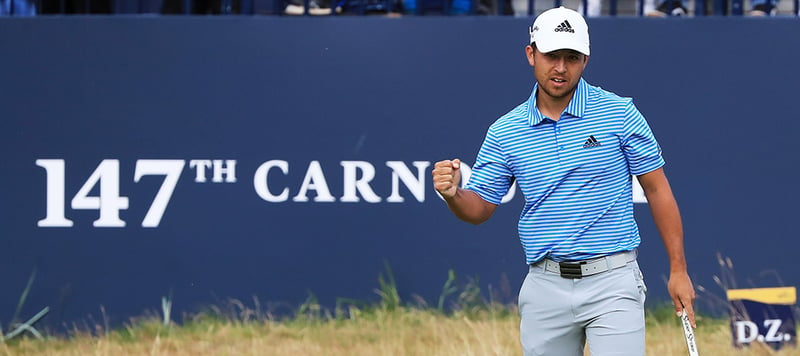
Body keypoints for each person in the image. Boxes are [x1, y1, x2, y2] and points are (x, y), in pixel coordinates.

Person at [431, 6, 696, 355]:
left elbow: (657, 189)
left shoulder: (619, 113)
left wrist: (678, 269)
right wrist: (453, 194)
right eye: (551, 55)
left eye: (571, 57)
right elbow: (480, 208)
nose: (560, 67)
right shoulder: (505, 131)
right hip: (545, 286)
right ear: (531, 54)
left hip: (613, 281)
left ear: (585, 60)